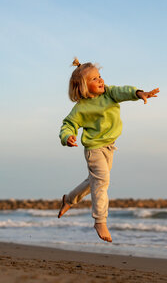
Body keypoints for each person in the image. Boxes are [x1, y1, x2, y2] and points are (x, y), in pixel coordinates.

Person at [57, 58, 159, 242]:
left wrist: (139, 93)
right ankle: (100, 220)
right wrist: (67, 137)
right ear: (82, 87)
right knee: (102, 180)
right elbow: (68, 124)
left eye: (100, 77)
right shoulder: (80, 109)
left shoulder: (109, 93)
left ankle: (69, 200)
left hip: (109, 147)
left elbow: (123, 91)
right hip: (94, 149)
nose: (100, 81)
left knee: (93, 182)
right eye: (94, 79)